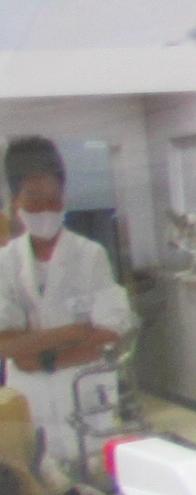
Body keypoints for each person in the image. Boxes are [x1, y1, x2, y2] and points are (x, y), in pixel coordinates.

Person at [0, 135, 129, 471]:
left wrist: (36, 351)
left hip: (84, 394)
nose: (45, 209)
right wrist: (71, 333)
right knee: (38, 473)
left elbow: (109, 332)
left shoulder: (90, 255)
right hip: (31, 399)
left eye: (53, 199)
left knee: (95, 474)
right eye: (34, 199)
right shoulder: (6, 263)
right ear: (15, 201)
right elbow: (5, 345)